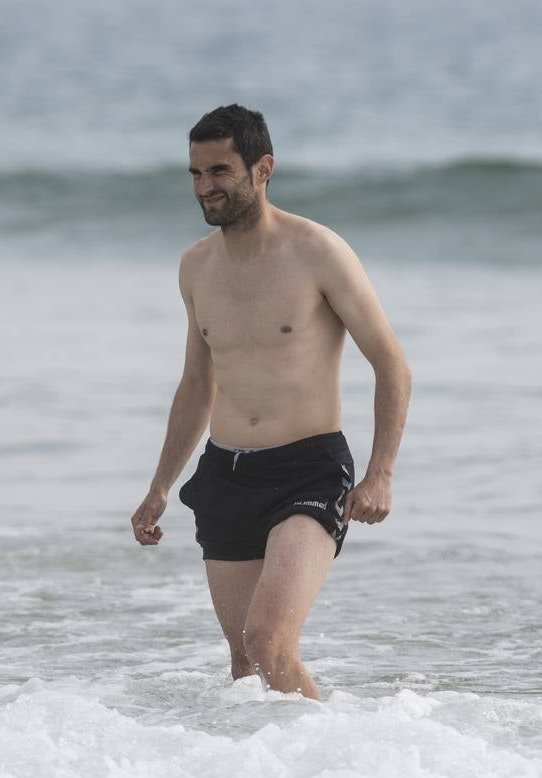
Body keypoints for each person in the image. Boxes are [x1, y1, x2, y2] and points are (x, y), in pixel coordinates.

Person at [130, 104, 411, 699]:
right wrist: (159, 487)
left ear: (263, 169)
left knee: (268, 644)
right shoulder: (195, 266)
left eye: (220, 171)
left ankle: (344, 764)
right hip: (225, 474)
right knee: (245, 671)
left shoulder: (317, 252)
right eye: (196, 174)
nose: (205, 187)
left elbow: (391, 364)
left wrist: (380, 474)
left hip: (307, 469)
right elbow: (196, 386)